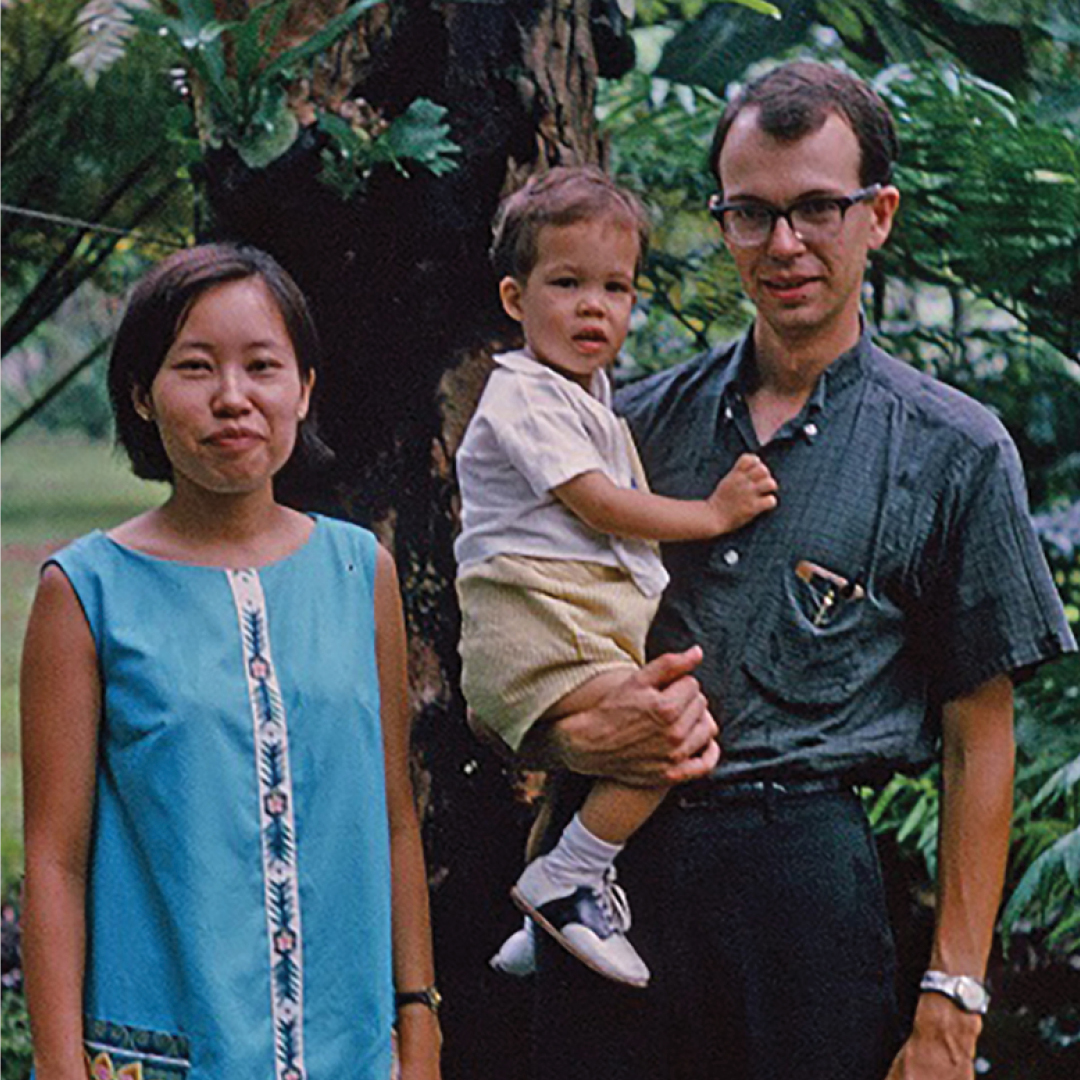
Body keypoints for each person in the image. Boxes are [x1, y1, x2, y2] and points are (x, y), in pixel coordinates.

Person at [474, 63, 1076, 1080]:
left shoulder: (953, 451)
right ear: (722, 222)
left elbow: (982, 732)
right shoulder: (631, 429)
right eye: (751, 214)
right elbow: (517, 618)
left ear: (877, 215)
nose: (784, 245)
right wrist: (572, 731)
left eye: (816, 210)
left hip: (805, 895)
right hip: (608, 884)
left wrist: (953, 1003)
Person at [20, 244, 442, 1080]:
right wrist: (61, 1067)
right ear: (142, 395)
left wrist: (418, 1023)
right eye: (195, 367)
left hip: (350, 1053)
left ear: (304, 389)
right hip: (160, 1052)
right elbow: (55, 861)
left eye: (262, 366)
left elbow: (393, 816)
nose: (232, 399)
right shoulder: (86, 592)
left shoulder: (362, 573)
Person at [454, 167, 778, 987]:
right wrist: (711, 513)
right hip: (537, 622)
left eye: (616, 287)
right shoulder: (524, 396)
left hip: (567, 618)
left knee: (600, 763)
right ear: (512, 298)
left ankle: (545, 910)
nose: (594, 306)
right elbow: (599, 504)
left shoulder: (586, 393)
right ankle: (569, 880)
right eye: (566, 284)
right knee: (671, 731)